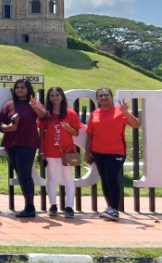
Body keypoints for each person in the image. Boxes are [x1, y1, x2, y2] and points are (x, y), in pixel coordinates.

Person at [85, 87, 141, 221]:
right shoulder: (95, 113)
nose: (103, 98)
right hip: (98, 152)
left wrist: (126, 112)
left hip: (116, 151)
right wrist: (87, 153)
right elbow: (90, 135)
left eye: (106, 95)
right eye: (100, 96)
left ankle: (115, 209)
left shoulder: (120, 111)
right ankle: (110, 208)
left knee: (111, 178)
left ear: (111, 97)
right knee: (104, 179)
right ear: (97, 99)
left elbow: (136, 124)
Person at [0, 79, 47, 218]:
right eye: (17, 87)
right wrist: (7, 128)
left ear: (28, 89)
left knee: (25, 173)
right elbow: (0, 122)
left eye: (22, 87)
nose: (19, 90)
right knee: (20, 173)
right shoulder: (9, 104)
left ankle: (30, 207)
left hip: (27, 142)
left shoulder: (34, 103)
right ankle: (28, 206)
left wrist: (34, 106)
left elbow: (44, 115)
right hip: (11, 142)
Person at [38, 87, 82, 218]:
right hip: (49, 149)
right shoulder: (45, 114)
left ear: (62, 97)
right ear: (48, 98)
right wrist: (41, 152)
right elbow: (41, 134)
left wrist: (68, 128)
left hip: (67, 150)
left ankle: (69, 206)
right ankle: (53, 205)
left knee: (68, 178)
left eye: (57, 95)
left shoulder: (71, 113)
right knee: (52, 178)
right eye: (52, 95)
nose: (55, 98)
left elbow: (76, 132)